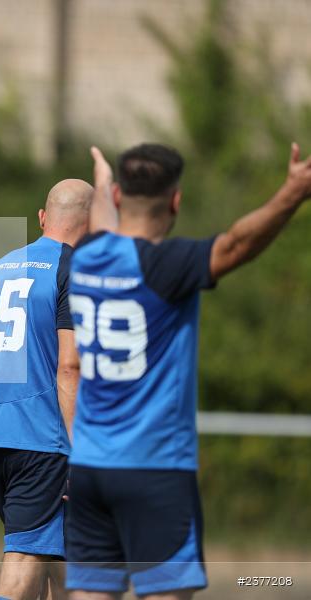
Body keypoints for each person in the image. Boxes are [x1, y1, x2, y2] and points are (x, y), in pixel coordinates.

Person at [65, 143, 311, 599]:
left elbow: (103, 222)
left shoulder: (86, 256)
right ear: (176, 200)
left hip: (90, 469)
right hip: (153, 468)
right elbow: (238, 243)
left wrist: (101, 177)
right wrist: (293, 192)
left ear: (119, 197)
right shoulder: (166, 266)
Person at [0, 179, 92, 600]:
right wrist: (78, 448)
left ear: (43, 218)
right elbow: (69, 366)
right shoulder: (74, 268)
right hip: (42, 441)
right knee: (24, 564)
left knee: (65, 563)